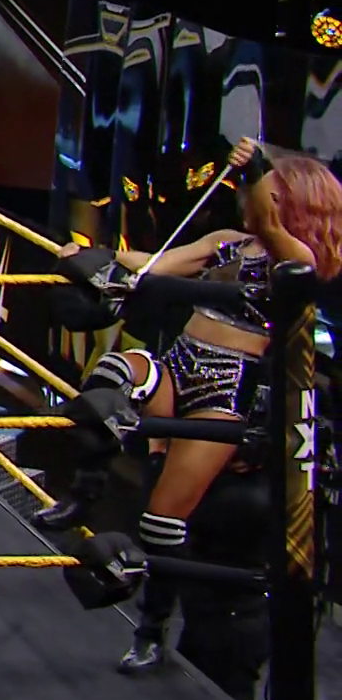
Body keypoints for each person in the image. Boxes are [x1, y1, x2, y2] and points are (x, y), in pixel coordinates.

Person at [41, 138, 342, 672]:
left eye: (270, 193)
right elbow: (154, 266)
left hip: (226, 389)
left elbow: (270, 225)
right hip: (179, 362)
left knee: (163, 519)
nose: (252, 199)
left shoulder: (298, 263)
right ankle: (83, 494)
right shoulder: (228, 242)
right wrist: (88, 258)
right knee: (112, 378)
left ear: (294, 201)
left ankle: (150, 630)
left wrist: (256, 166)